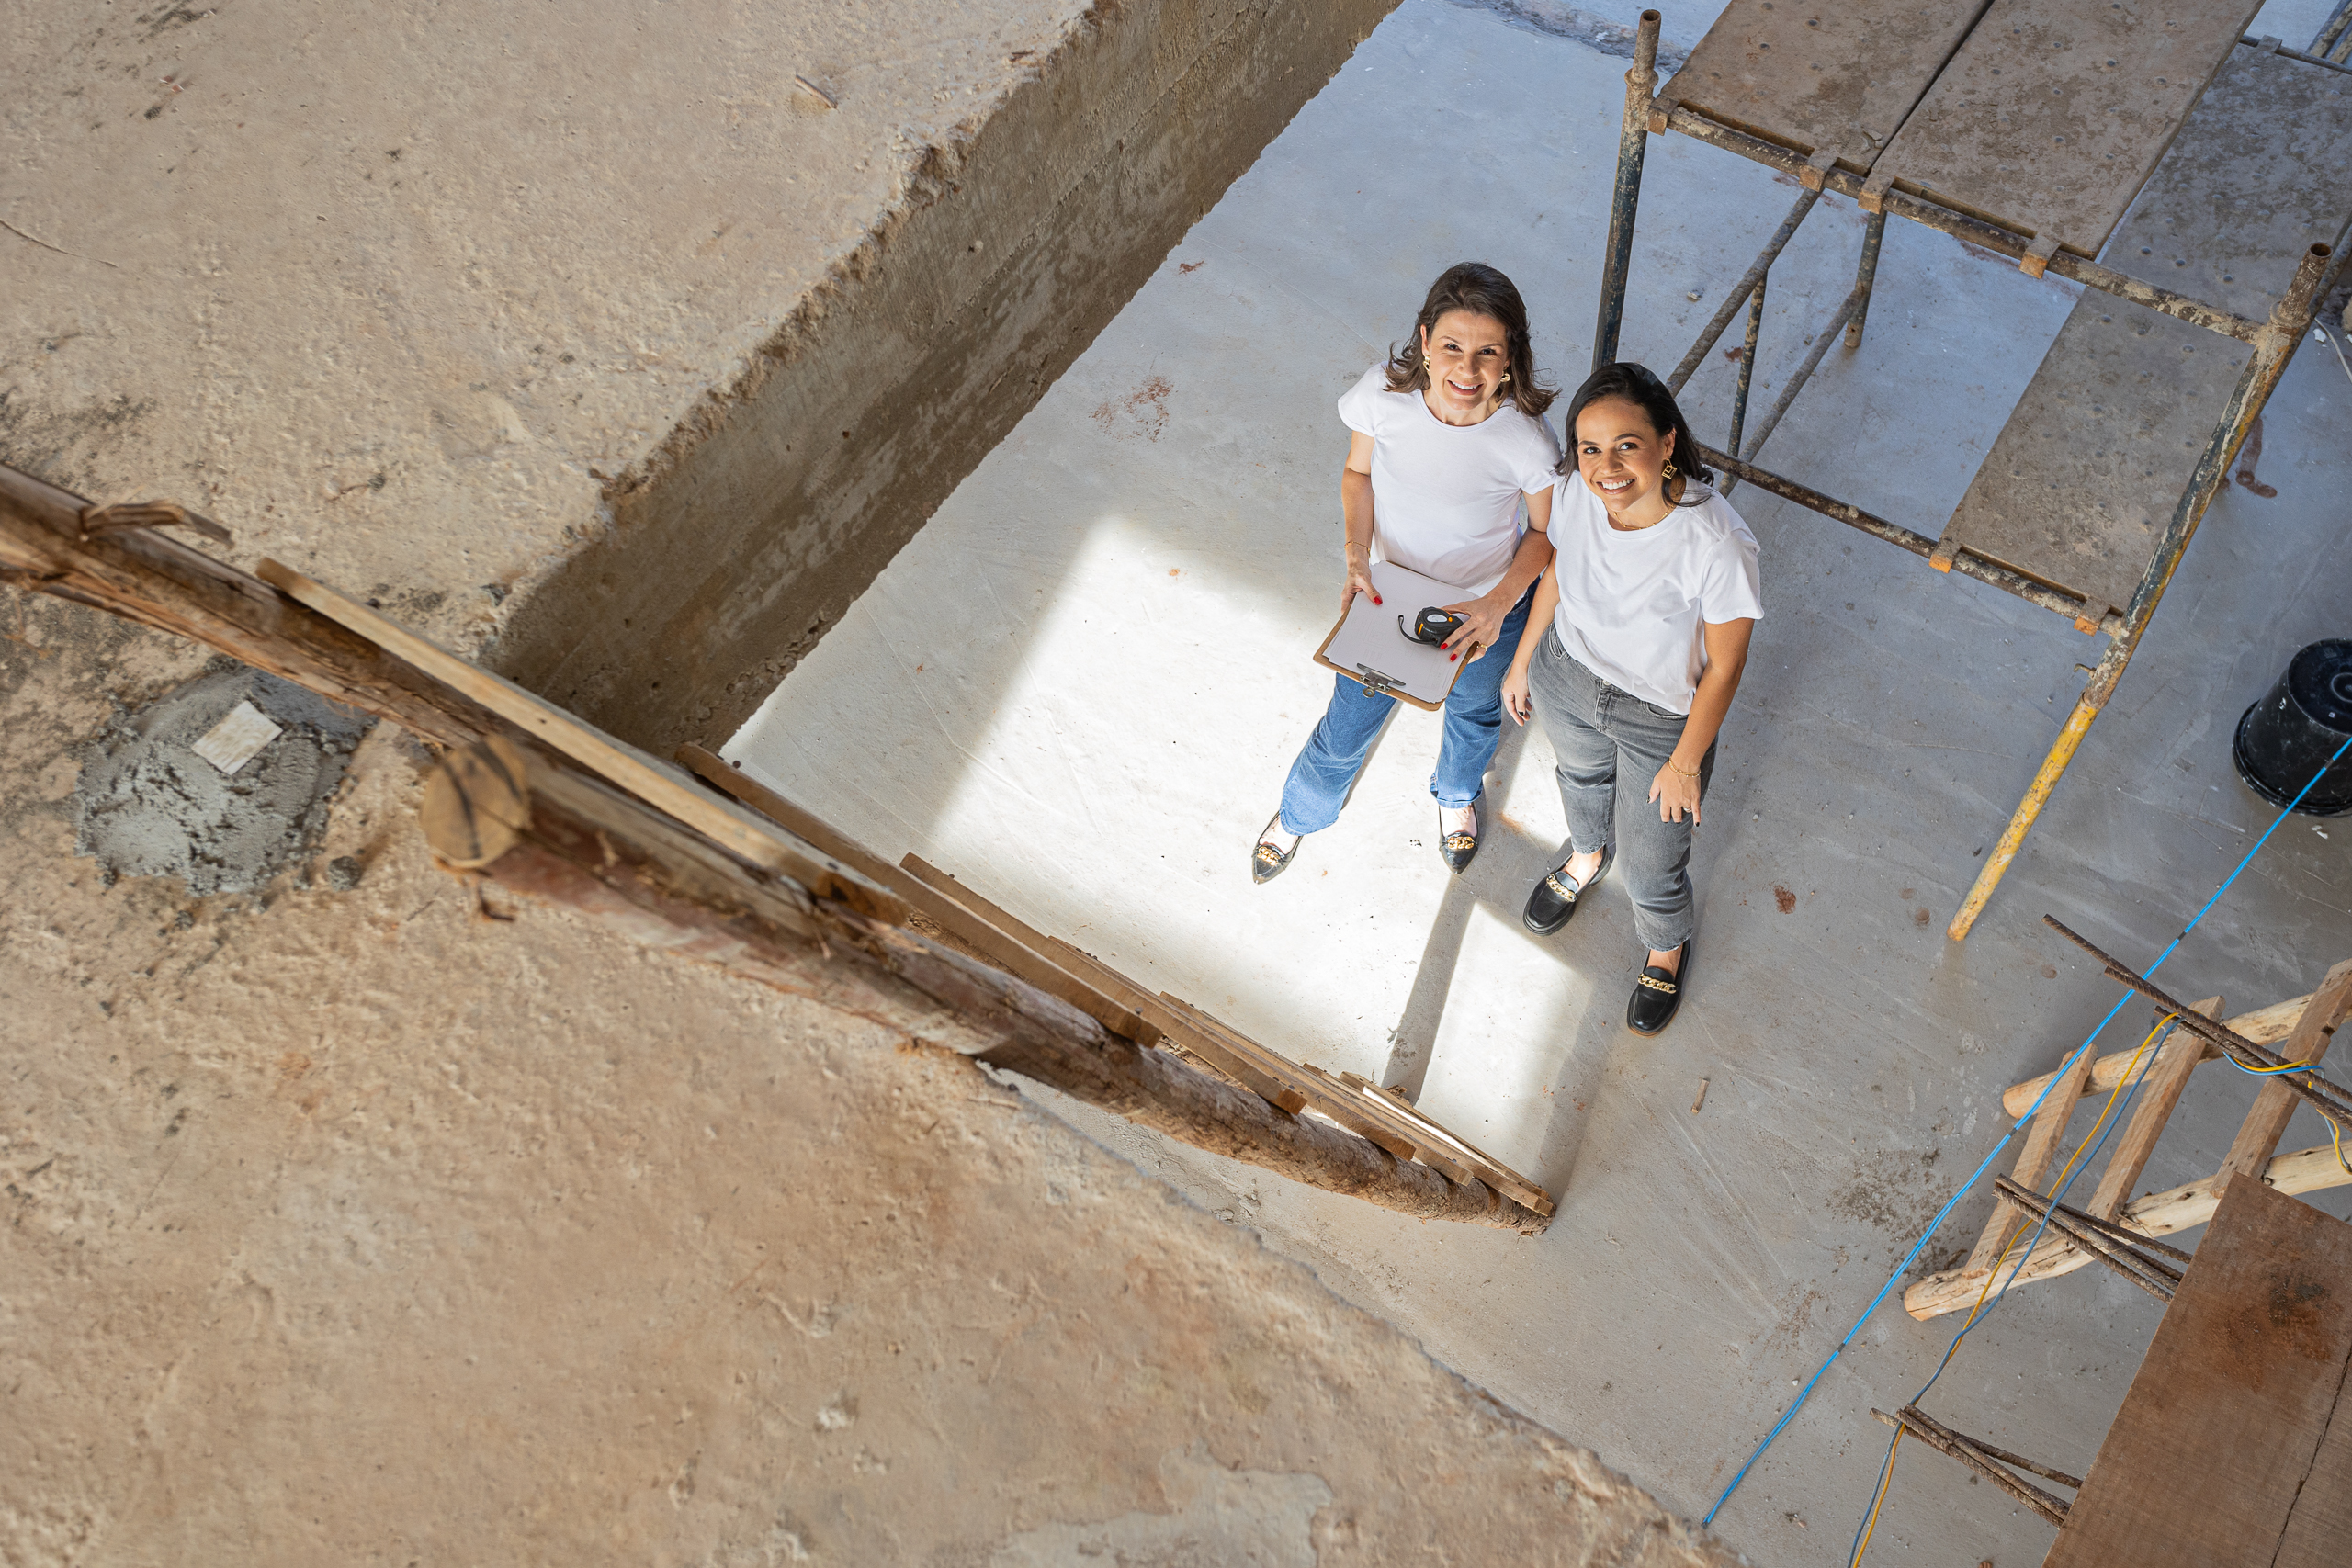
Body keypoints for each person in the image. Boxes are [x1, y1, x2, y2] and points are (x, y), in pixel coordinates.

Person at [1253, 263, 1562, 884]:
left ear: (1511, 360)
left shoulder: (1527, 441)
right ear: (1424, 342)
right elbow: (1357, 476)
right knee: (1348, 720)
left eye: (1487, 352)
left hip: (1484, 610)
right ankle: (1301, 812)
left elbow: (1545, 534)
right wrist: (1355, 554)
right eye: (1451, 346)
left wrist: (1499, 606)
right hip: (1391, 596)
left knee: (1473, 716)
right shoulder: (1381, 398)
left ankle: (1454, 795)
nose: (1466, 370)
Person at [1499, 362, 1760, 1035]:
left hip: (1659, 720)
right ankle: (1586, 856)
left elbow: (1726, 666)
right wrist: (1527, 657)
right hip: (1569, 673)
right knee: (1580, 781)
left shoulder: (1717, 541)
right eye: (1589, 448)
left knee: (1654, 858)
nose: (1605, 468)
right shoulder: (1579, 493)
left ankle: (1666, 944)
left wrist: (1684, 761)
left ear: (1667, 442)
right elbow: (1559, 569)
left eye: (1625, 446)